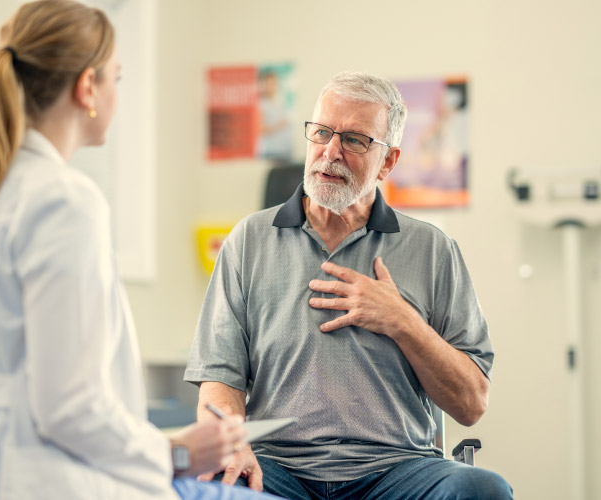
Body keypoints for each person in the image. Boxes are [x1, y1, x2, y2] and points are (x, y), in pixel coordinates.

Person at [0, 2, 282, 499]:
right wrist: (176, 454)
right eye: (117, 78)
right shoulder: (63, 199)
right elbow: (69, 407)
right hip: (36, 480)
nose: (117, 93)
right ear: (88, 88)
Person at [185, 71, 513, 499]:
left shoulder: (433, 249)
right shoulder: (248, 240)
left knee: (482, 490)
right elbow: (220, 381)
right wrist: (231, 446)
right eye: (322, 132)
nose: (331, 151)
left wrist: (402, 321)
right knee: (204, 489)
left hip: (397, 471)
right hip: (279, 469)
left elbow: (471, 403)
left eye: (355, 140)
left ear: (389, 162)